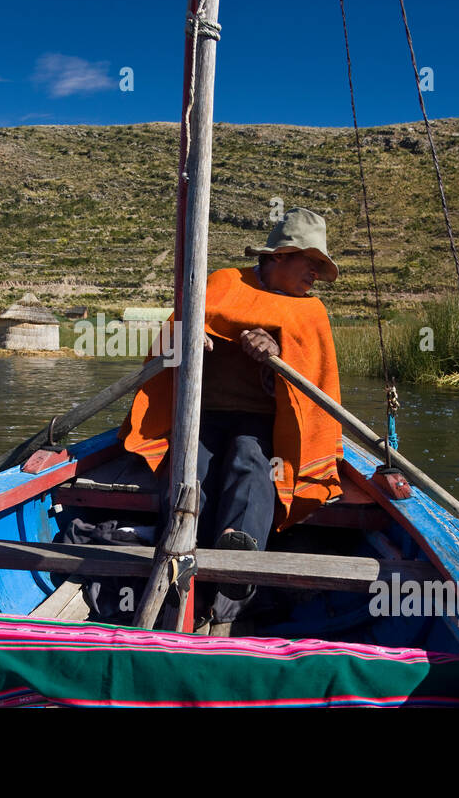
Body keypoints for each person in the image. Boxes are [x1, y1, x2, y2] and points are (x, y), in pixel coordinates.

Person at [120, 207, 346, 623]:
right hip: (202, 412)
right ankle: (180, 547)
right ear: (279, 256)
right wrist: (194, 337)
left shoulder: (310, 311)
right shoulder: (224, 283)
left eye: (319, 266)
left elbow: (311, 380)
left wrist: (278, 353)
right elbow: (176, 332)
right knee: (192, 467)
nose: (315, 274)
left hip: (265, 422)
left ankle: (235, 553)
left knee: (252, 461)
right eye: (310, 262)